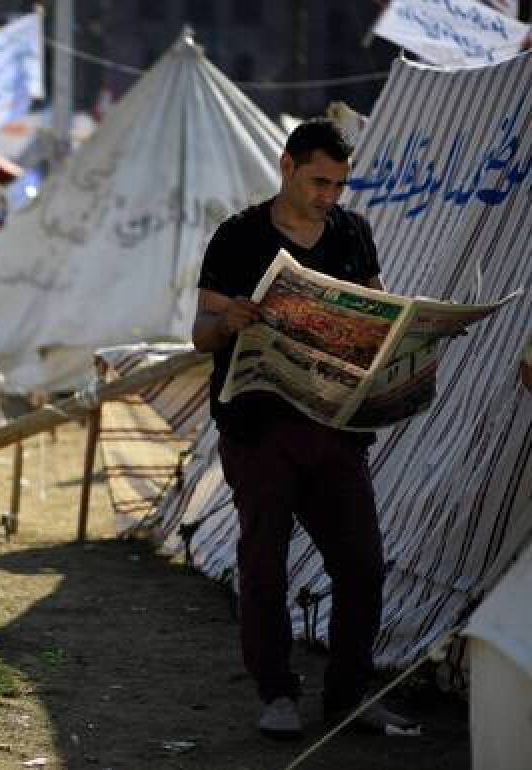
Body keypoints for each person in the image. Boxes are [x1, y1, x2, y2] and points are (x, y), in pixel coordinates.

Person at [191, 119, 416, 739]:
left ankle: (347, 695)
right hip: (259, 427)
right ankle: (277, 693)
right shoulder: (238, 236)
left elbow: (379, 306)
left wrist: (401, 335)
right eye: (319, 181)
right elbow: (200, 331)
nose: (328, 195)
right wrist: (230, 321)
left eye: (339, 185)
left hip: (335, 429)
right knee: (265, 562)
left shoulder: (352, 232)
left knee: (363, 563)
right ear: (287, 166)